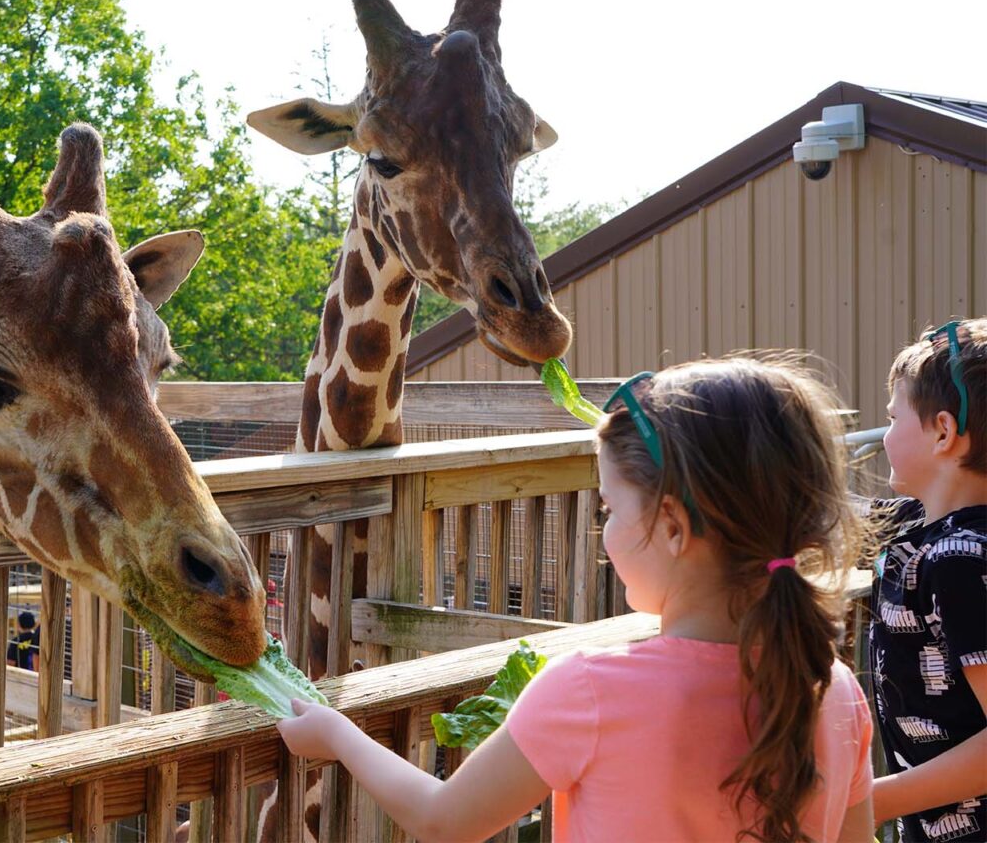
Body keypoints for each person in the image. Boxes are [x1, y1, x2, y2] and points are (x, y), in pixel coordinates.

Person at [278, 357, 876, 842]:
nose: (604, 532)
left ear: (671, 526)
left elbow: (444, 821)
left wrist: (336, 734)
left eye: (610, 510)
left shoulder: (587, 691)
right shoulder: (835, 689)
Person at [869, 319, 987, 842]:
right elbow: (828, 517)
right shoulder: (925, 525)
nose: (885, 434)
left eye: (893, 418)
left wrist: (875, 800)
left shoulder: (959, 562)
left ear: (943, 431)